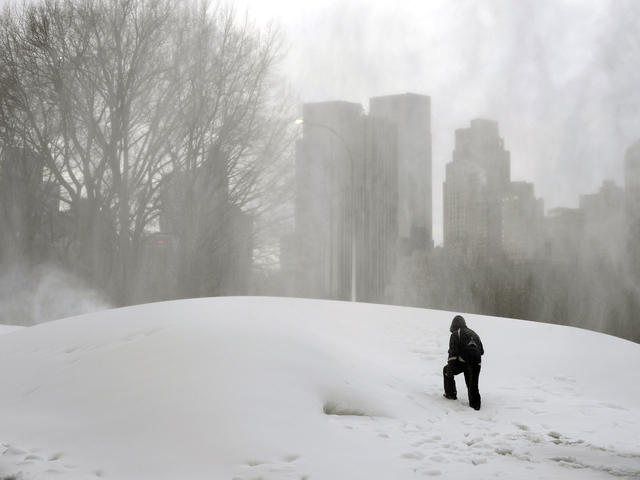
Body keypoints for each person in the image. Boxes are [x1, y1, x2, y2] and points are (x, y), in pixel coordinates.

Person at [443, 314, 484, 410]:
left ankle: (450, 394)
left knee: (446, 370)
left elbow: (453, 354)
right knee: (473, 385)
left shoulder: (455, 334)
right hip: (477, 363)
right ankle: (475, 406)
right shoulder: (474, 334)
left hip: (464, 361)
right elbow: (481, 351)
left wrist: (450, 368)